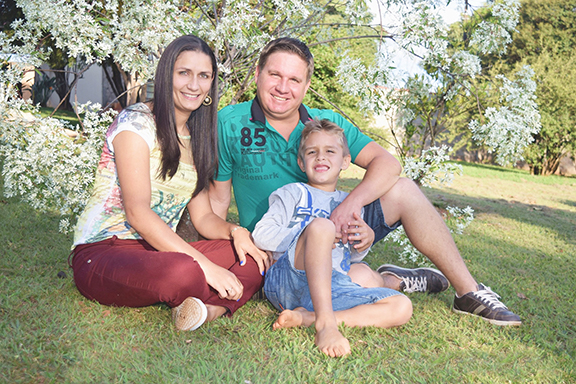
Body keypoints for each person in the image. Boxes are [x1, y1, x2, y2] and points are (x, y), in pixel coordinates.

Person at [210, 37, 521, 326]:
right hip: (285, 245)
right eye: (274, 75)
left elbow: (388, 163)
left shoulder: (326, 124)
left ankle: (468, 292)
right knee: (361, 280)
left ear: (306, 86)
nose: (282, 87)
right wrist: (220, 249)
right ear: (257, 74)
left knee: (404, 190)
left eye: (294, 79)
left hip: (337, 225)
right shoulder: (229, 122)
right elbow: (218, 200)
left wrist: (351, 207)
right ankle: (393, 281)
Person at [70, 35, 268, 332]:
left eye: (203, 76)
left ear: (211, 85)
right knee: (183, 270)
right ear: (167, 76)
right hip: (103, 252)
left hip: (155, 251)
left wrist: (236, 231)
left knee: (253, 254)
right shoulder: (136, 124)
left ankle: (208, 310)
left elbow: (202, 217)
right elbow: (138, 213)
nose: (193, 85)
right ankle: (216, 298)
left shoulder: (197, 137)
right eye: (184, 73)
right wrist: (207, 267)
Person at [252, 119, 412, 357]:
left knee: (402, 306)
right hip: (288, 280)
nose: (321, 157)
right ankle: (325, 326)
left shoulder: (348, 202)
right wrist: (310, 232)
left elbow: (350, 255)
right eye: (312, 152)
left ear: (345, 161)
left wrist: (364, 239)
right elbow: (261, 235)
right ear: (301, 161)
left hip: (329, 287)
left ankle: (309, 317)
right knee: (322, 227)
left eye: (330, 151)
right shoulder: (292, 193)